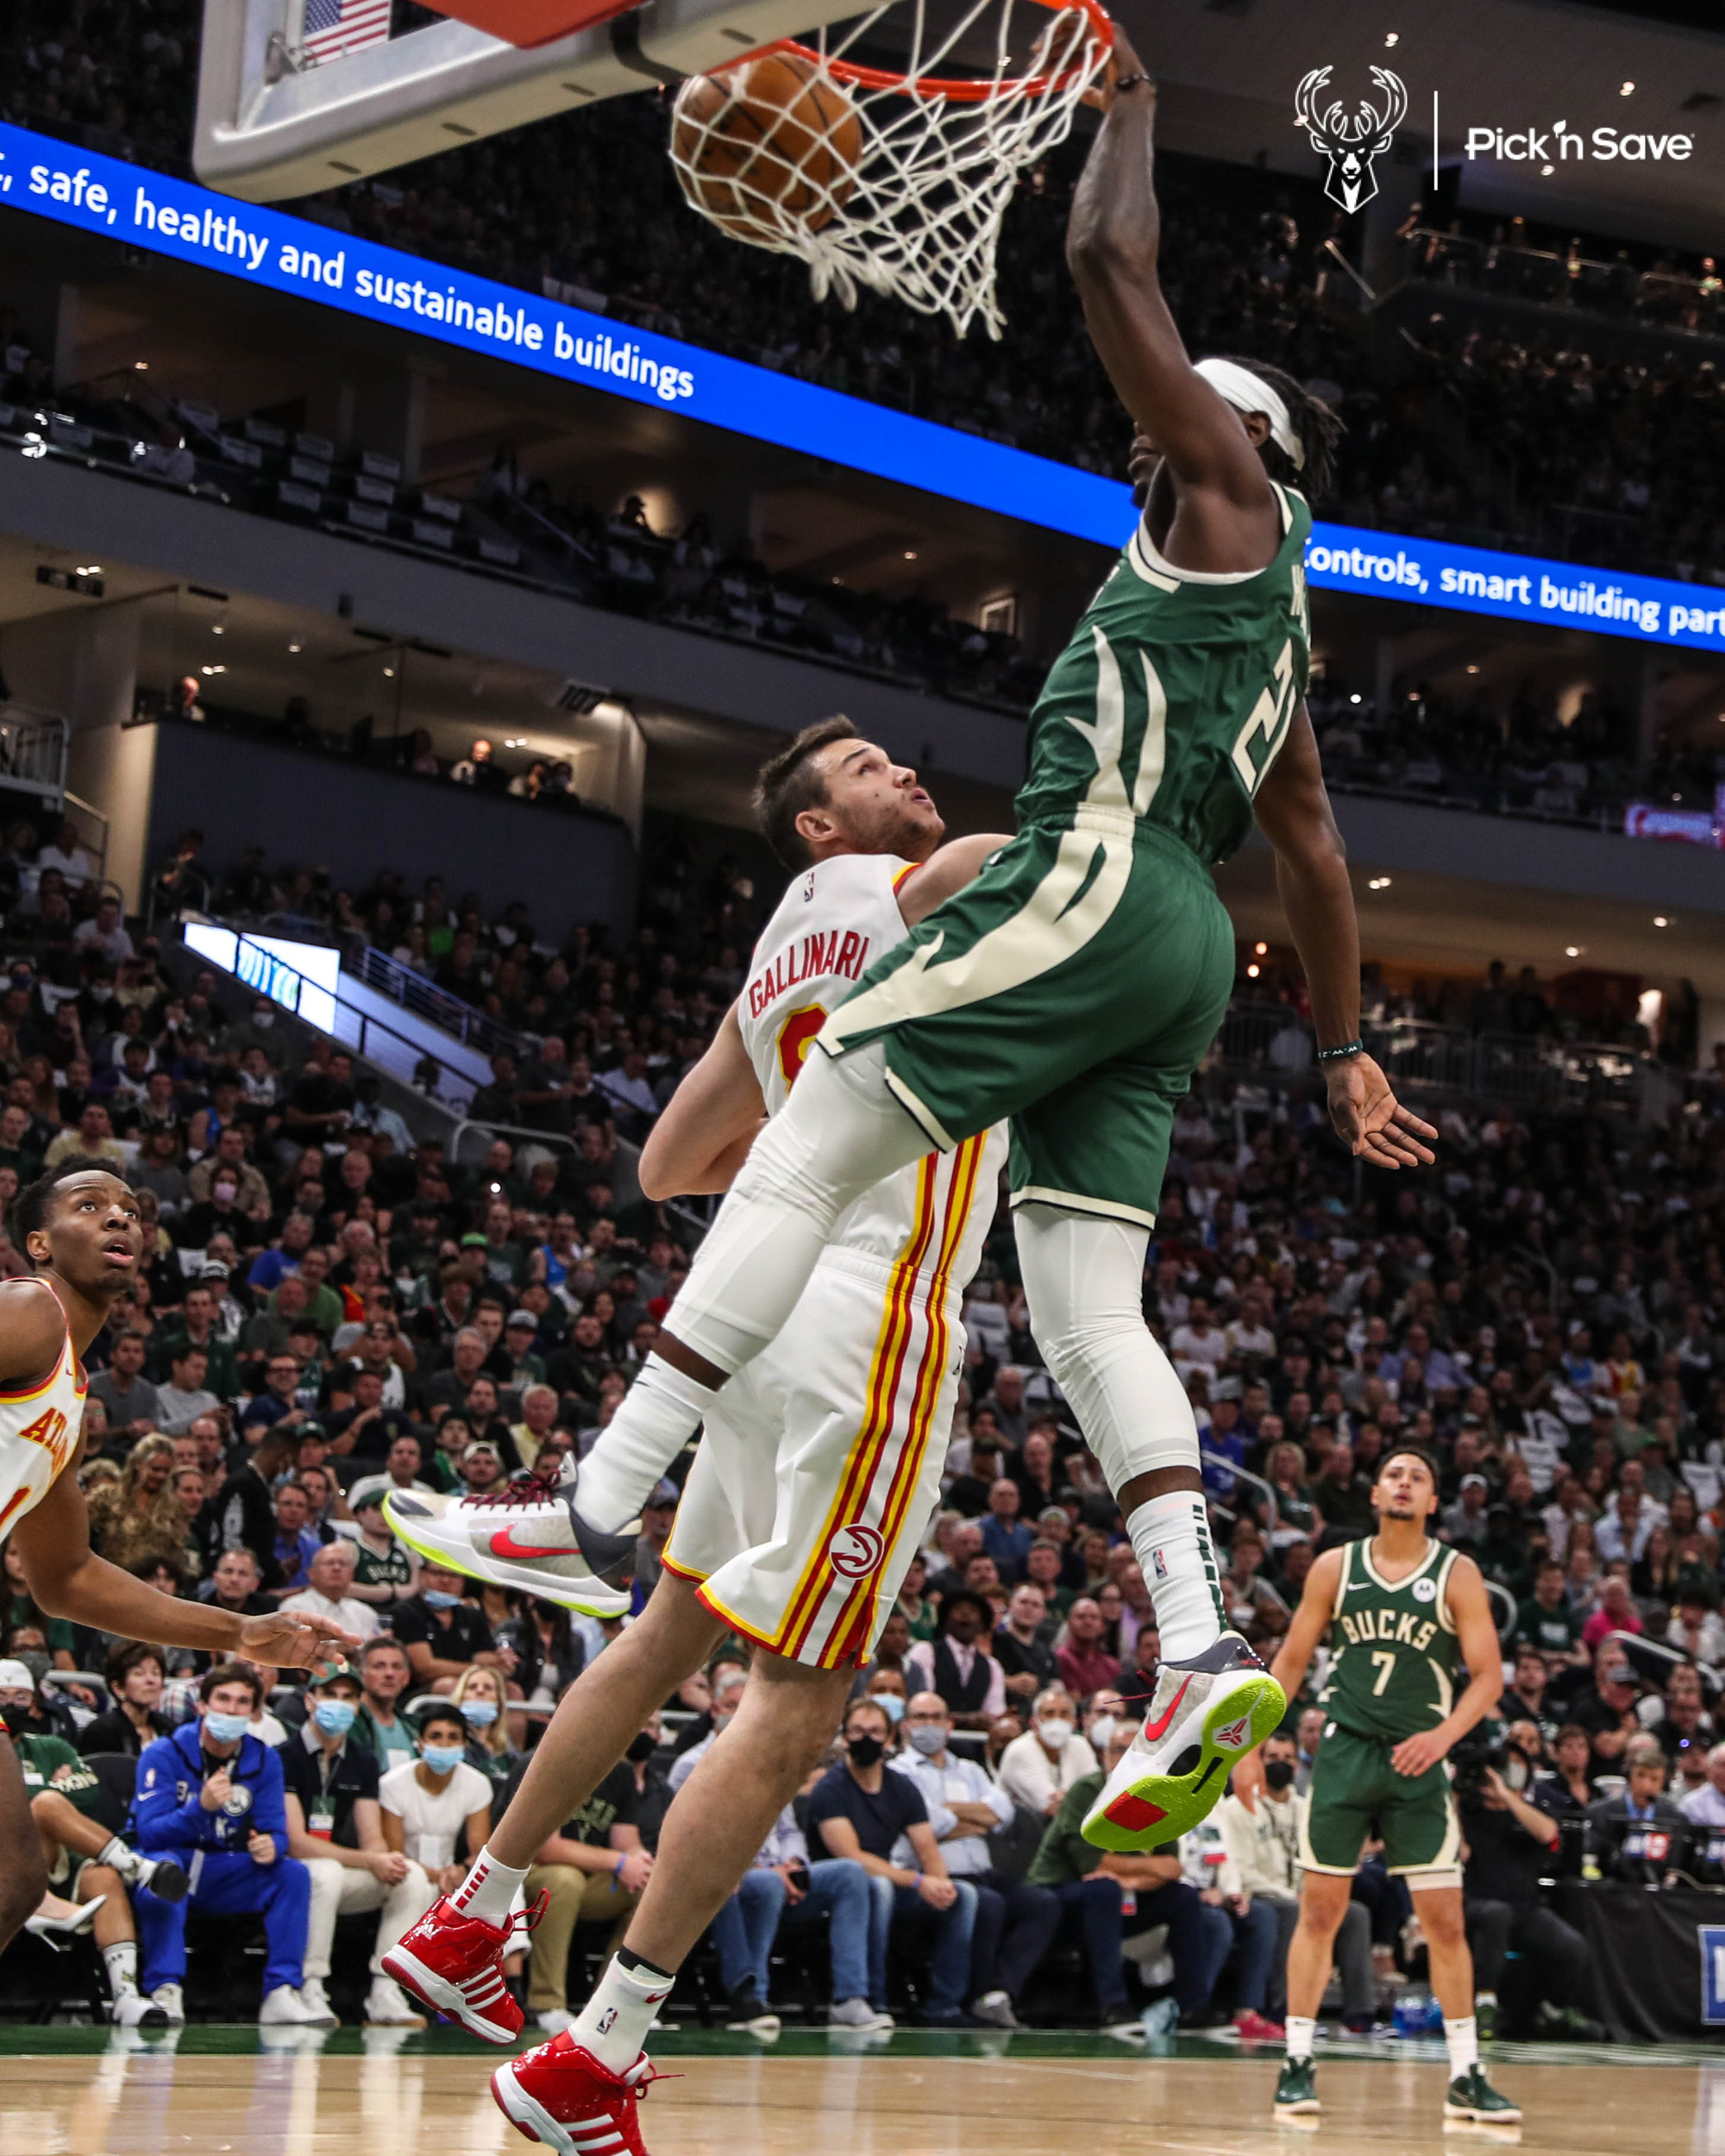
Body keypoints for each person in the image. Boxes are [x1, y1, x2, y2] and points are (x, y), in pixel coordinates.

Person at [380, 736, 1011, 2104]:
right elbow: (1015, 862)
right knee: (799, 1699)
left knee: (672, 1629)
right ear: (812, 822)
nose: (904, 767)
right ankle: (598, 2050)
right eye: (865, 764)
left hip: (763, 1307)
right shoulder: (900, 887)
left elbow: (669, 1163)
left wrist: (801, 1164)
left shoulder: (778, 951)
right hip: (873, 1316)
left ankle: (472, 1907)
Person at [0, 1158, 355, 1960]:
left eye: (130, 1210)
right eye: (90, 1207)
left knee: (15, 1882)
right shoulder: (30, 1310)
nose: (120, 1220)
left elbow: (69, 1579)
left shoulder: (68, 1394)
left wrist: (238, 1633)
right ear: (40, 1244)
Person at [1245, 1447, 1517, 2124]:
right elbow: (1291, 1662)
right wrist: (1246, 1744)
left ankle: (1465, 2073)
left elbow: (1488, 1677)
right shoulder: (1335, 1568)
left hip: (1419, 1761)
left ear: (1432, 1502)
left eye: (1418, 1477)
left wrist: (1442, 1737)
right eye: (1394, 1474)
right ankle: (1297, 2062)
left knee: (1446, 1923)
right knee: (1319, 1913)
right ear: (1374, 1494)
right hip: (1344, 1755)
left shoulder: (1458, 1573)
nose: (1403, 1483)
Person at [130, 1662, 328, 2027]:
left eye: (242, 1702)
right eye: (222, 1699)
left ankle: (282, 1992)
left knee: (292, 1875)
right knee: (164, 1869)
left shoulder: (265, 1758)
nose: (231, 1709)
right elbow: (149, 1834)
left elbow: (276, 1830)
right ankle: (165, 1987)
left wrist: (273, 1845)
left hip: (224, 1868)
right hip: (171, 1861)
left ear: (254, 1713)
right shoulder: (163, 1753)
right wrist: (199, 1808)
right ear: (202, 1705)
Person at [3, 1657, 187, 2028]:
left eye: (20, 1696)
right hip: (8, 1861)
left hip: (60, 1857)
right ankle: (139, 1867)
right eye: (2, 1695)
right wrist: (44, 1792)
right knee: (47, 1804)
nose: (11, 1704)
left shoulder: (51, 1746)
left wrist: (30, 1796)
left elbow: (89, 1794)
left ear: (35, 1701)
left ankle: (125, 1997)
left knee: (103, 1877)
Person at [1026, 1718, 1229, 2034]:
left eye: (1139, 1750)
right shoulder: (1087, 1791)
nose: (1128, 1757)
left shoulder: (1158, 1794)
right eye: (1120, 1750)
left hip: (1119, 1895)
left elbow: (1173, 1868)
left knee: (1184, 1897)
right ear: (1105, 1756)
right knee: (1105, 1889)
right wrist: (1145, 1870)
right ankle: (1113, 2005)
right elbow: (1091, 1865)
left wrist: (1131, 1880)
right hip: (1057, 1896)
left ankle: (1193, 2007)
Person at [280, 1661, 437, 2027]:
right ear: (310, 1701)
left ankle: (386, 1990)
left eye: (349, 1697)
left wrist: (385, 1860)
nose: (340, 1704)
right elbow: (297, 1843)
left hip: (340, 1869)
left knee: (411, 1875)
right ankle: (311, 1985)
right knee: (326, 1873)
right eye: (330, 1695)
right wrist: (369, 1860)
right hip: (295, 1871)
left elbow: (372, 1837)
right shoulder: (284, 1755)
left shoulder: (362, 1760)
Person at [806, 1696, 976, 2027]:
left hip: (891, 1880)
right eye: (856, 1731)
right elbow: (852, 1857)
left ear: (890, 1738)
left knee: (963, 1895)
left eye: (874, 1731)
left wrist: (939, 1884)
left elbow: (928, 1849)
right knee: (878, 1887)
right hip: (839, 1888)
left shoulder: (902, 1787)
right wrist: (917, 1881)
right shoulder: (830, 1788)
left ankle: (945, 2004)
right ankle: (874, 1998)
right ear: (844, 1737)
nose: (865, 1739)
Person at [894, 1689, 1059, 2028]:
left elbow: (1003, 1813)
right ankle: (973, 1996)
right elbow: (926, 1823)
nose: (929, 1725)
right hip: (935, 1874)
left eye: (936, 1717)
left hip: (983, 1870)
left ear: (950, 1724)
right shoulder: (898, 1772)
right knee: (989, 1904)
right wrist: (976, 1819)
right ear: (907, 1725)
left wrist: (950, 1815)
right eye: (921, 1718)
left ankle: (998, 1990)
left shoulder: (969, 1769)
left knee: (1042, 1903)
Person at [1458, 1720, 1597, 2041]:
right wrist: (1453, 1797)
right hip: (1476, 1903)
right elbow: (1461, 1853)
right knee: (1496, 1915)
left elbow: (1549, 1833)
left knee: (1572, 1946)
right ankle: (1485, 2004)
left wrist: (1506, 1797)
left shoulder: (1527, 1810)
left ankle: (1553, 2009)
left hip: (1525, 1908)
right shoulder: (1467, 1812)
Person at [380, 1702, 493, 1901]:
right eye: (436, 1736)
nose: (444, 1744)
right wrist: (435, 1876)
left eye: (453, 1737)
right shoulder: (392, 1783)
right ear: (420, 1743)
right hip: (405, 1875)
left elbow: (479, 1852)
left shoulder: (478, 1784)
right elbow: (395, 1854)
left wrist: (460, 1872)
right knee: (416, 1888)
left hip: (452, 1877)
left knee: (499, 1888)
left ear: (464, 1745)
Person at [997, 1685, 1099, 1816]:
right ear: (1034, 1723)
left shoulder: (1080, 1745)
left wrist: (1067, 1797)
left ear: (1074, 1723)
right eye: (1049, 1714)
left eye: (1064, 1714)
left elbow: (1097, 1794)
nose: (1057, 1720)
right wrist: (1079, 1798)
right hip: (1021, 1830)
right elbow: (1052, 1807)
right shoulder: (1020, 1750)